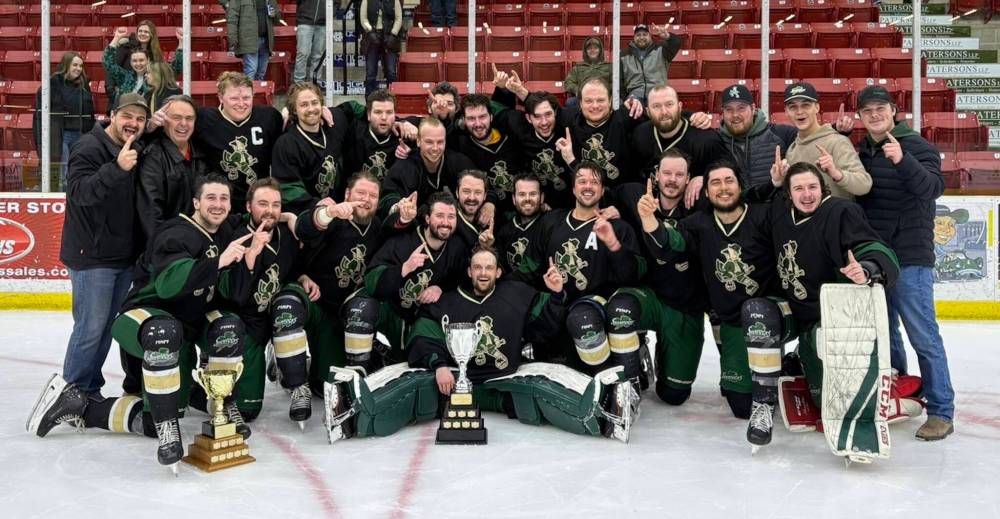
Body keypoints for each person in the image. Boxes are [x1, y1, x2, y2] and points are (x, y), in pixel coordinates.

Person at [27, 175, 258, 474]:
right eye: (211, 198)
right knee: (165, 335)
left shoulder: (224, 230)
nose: (218, 204)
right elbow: (168, 287)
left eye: (224, 198)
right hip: (145, 314)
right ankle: (144, 422)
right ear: (196, 202)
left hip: (185, 322)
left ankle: (221, 406)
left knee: (228, 327)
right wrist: (218, 263)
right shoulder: (175, 233)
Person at [323, 247, 640, 444]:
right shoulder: (446, 301)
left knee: (543, 385)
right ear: (469, 270)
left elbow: (544, 327)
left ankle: (604, 413)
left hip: (502, 381)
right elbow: (423, 334)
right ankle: (352, 413)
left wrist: (557, 295)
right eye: (478, 267)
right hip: (451, 385)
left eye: (489, 267)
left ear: (498, 271)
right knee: (409, 383)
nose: (483, 272)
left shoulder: (516, 293)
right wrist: (438, 365)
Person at [741, 162, 900, 455]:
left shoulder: (840, 212)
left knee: (825, 401)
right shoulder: (778, 212)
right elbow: (743, 207)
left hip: (827, 321)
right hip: (792, 309)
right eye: (798, 188)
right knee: (757, 313)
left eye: (812, 187)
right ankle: (762, 405)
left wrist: (867, 269)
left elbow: (872, 247)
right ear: (788, 193)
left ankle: (805, 358)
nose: (807, 194)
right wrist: (771, 184)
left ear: (822, 188)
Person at [855, 85, 955, 441]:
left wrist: (903, 159)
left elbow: (932, 188)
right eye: (867, 111)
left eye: (880, 109)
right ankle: (901, 392)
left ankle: (942, 410)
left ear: (894, 111)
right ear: (860, 117)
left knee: (923, 335)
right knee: (887, 335)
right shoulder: (863, 151)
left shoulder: (916, 146)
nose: (875, 115)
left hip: (911, 259)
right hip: (878, 260)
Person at [641, 161, 777, 418]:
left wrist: (776, 183)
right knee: (741, 406)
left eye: (729, 181)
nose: (723, 188)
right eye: (715, 182)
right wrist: (650, 220)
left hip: (769, 313)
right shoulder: (698, 223)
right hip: (732, 320)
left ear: (740, 185)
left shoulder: (763, 215)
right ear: (706, 192)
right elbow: (670, 244)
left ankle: (786, 366)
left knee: (759, 312)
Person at [516, 162, 646, 385]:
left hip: (597, 309)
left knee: (585, 319)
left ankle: (625, 381)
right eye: (582, 181)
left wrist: (613, 245)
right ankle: (608, 375)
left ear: (603, 190)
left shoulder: (619, 228)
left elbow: (632, 277)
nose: (588, 186)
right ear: (573, 189)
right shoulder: (550, 222)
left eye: (594, 182)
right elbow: (527, 270)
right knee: (571, 376)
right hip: (559, 309)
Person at [56, 93, 148, 402]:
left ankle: (89, 389)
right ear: (111, 115)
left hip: (121, 255)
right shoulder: (88, 147)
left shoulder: (135, 147)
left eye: (140, 119)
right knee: (89, 329)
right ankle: (72, 393)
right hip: (92, 257)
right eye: (127, 116)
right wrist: (117, 168)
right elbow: (80, 194)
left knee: (106, 327)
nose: (133, 124)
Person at [616, 149, 710, 404]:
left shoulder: (700, 206)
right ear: (656, 175)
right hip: (649, 297)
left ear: (689, 178)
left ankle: (665, 357)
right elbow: (593, 190)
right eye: (666, 173)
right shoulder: (633, 194)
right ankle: (633, 362)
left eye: (680, 174)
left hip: (685, 305)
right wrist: (612, 209)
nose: (672, 179)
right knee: (619, 309)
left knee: (674, 395)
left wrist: (705, 177)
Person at [282, 172, 385, 392]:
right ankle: (290, 366)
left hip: (349, 310)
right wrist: (327, 212)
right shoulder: (334, 219)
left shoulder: (377, 226)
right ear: (347, 194)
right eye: (361, 193)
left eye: (372, 195)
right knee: (322, 384)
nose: (366, 199)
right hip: (320, 309)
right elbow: (304, 229)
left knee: (333, 381)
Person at [630, 85, 733, 205]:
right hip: (651, 207)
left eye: (669, 104)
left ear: (679, 107)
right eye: (656, 106)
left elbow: (730, 171)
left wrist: (705, 178)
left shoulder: (705, 139)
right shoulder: (640, 134)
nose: (664, 112)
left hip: (691, 210)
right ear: (648, 111)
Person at [136, 95, 209, 242]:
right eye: (176, 117)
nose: (183, 124)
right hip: (169, 244)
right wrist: (167, 248)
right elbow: (151, 214)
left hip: (199, 240)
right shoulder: (153, 157)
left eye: (189, 118)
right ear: (163, 120)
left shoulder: (201, 153)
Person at [781, 81, 871, 199]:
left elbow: (864, 185)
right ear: (786, 112)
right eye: (793, 107)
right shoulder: (792, 150)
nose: (799, 112)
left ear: (817, 107)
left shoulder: (837, 142)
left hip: (837, 216)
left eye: (806, 105)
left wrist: (836, 173)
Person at [271, 82, 350, 214]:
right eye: (304, 105)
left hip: (339, 211)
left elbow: (356, 108)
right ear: (294, 109)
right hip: (307, 216)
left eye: (315, 102)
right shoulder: (286, 143)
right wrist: (316, 204)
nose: (311, 109)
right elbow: (287, 187)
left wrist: (396, 123)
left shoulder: (334, 122)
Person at [378, 117, 475, 222]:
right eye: (429, 142)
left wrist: (489, 203)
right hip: (414, 227)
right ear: (418, 141)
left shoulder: (458, 162)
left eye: (440, 142)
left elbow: (481, 183)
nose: (435, 148)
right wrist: (399, 207)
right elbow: (387, 198)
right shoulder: (404, 167)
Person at [555, 77, 644, 188]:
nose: (595, 106)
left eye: (601, 100)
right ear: (580, 103)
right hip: (586, 196)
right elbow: (542, 109)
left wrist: (637, 102)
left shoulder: (626, 117)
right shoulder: (569, 123)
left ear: (610, 100)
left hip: (621, 195)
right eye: (588, 101)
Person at [33, 51, 96, 190]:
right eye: (75, 65)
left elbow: (90, 113)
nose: (78, 69)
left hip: (80, 134)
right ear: (66, 65)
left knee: (76, 170)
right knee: (62, 171)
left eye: (80, 66)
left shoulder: (84, 85)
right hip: (59, 135)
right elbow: (39, 114)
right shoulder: (52, 84)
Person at [716, 83, 798, 189]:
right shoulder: (714, 140)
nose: (735, 115)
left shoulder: (781, 134)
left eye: (741, 108)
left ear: (753, 108)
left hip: (773, 204)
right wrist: (698, 177)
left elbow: (810, 136)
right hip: (735, 205)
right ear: (722, 112)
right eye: (729, 109)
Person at [109, 20, 183, 102]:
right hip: (127, 97)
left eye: (146, 32)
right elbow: (110, 66)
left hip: (149, 100)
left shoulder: (156, 55)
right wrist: (113, 94)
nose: (142, 33)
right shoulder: (126, 48)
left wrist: (181, 42)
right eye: (140, 31)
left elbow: (173, 70)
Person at [495, 173, 548, 275]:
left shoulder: (550, 225)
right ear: (514, 199)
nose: (527, 199)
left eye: (533, 194)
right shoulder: (504, 231)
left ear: (541, 198)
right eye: (522, 194)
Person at [620, 24, 682, 103]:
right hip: (635, 95)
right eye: (638, 35)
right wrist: (626, 97)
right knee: (631, 109)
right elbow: (619, 81)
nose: (641, 37)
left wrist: (667, 36)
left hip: (658, 92)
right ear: (634, 37)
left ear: (650, 36)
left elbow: (676, 43)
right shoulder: (624, 55)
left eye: (645, 35)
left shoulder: (661, 49)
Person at [225, 0, 283, 80]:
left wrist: (275, 14)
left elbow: (277, 19)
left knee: (261, 73)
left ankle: (257, 92)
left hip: (266, 40)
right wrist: (232, 37)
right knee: (251, 71)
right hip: (248, 40)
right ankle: (248, 92)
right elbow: (232, 18)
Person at [359, 0, 403, 97]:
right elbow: (363, 19)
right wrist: (370, 31)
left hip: (390, 36)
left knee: (391, 72)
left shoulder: (395, 1)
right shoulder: (366, 1)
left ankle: (392, 99)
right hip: (372, 37)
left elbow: (398, 19)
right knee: (370, 73)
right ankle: (369, 102)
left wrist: (393, 34)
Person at [565, 37, 611, 107]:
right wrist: (578, 90)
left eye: (595, 48)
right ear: (585, 51)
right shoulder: (578, 67)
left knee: (618, 102)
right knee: (570, 102)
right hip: (584, 97)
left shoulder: (609, 66)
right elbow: (568, 82)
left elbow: (616, 82)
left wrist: (606, 90)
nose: (592, 50)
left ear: (600, 50)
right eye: (589, 48)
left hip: (603, 96)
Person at [293, 0, 328, 85]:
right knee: (302, 53)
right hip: (304, 21)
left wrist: (329, 14)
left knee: (318, 55)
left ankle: (315, 83)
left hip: (322, 24)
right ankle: (299, 84)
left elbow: (337, 3)